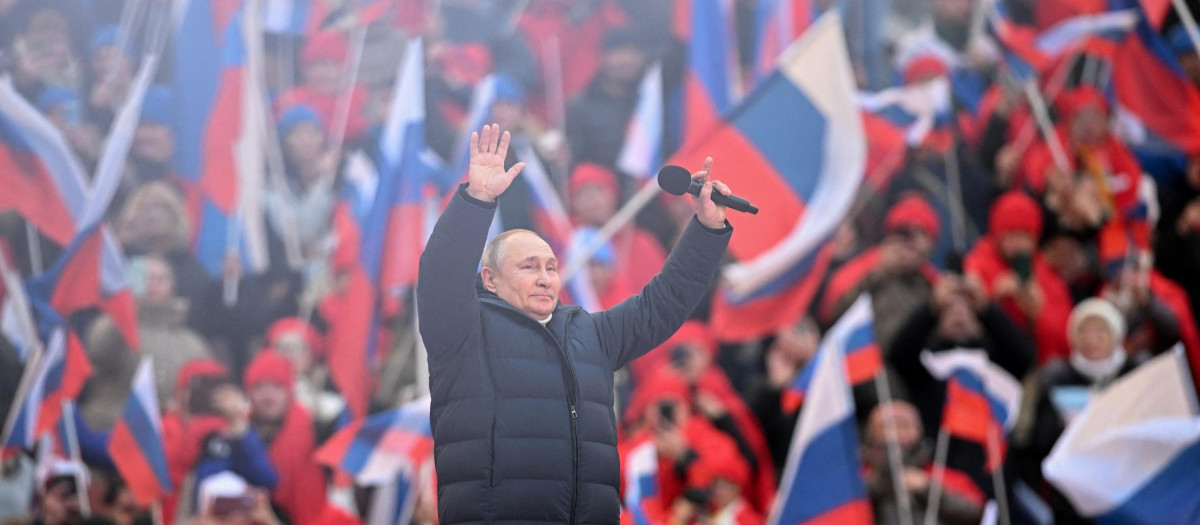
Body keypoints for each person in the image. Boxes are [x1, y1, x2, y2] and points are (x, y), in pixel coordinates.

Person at [417, 124, 734, 523]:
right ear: (490, 280)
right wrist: (476, 200)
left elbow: (663, 303)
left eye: (551, 266)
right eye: (528, 266)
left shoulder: (591, 334)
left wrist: (707, 230)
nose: (545, 276)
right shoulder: (463, 333)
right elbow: (440, 275)